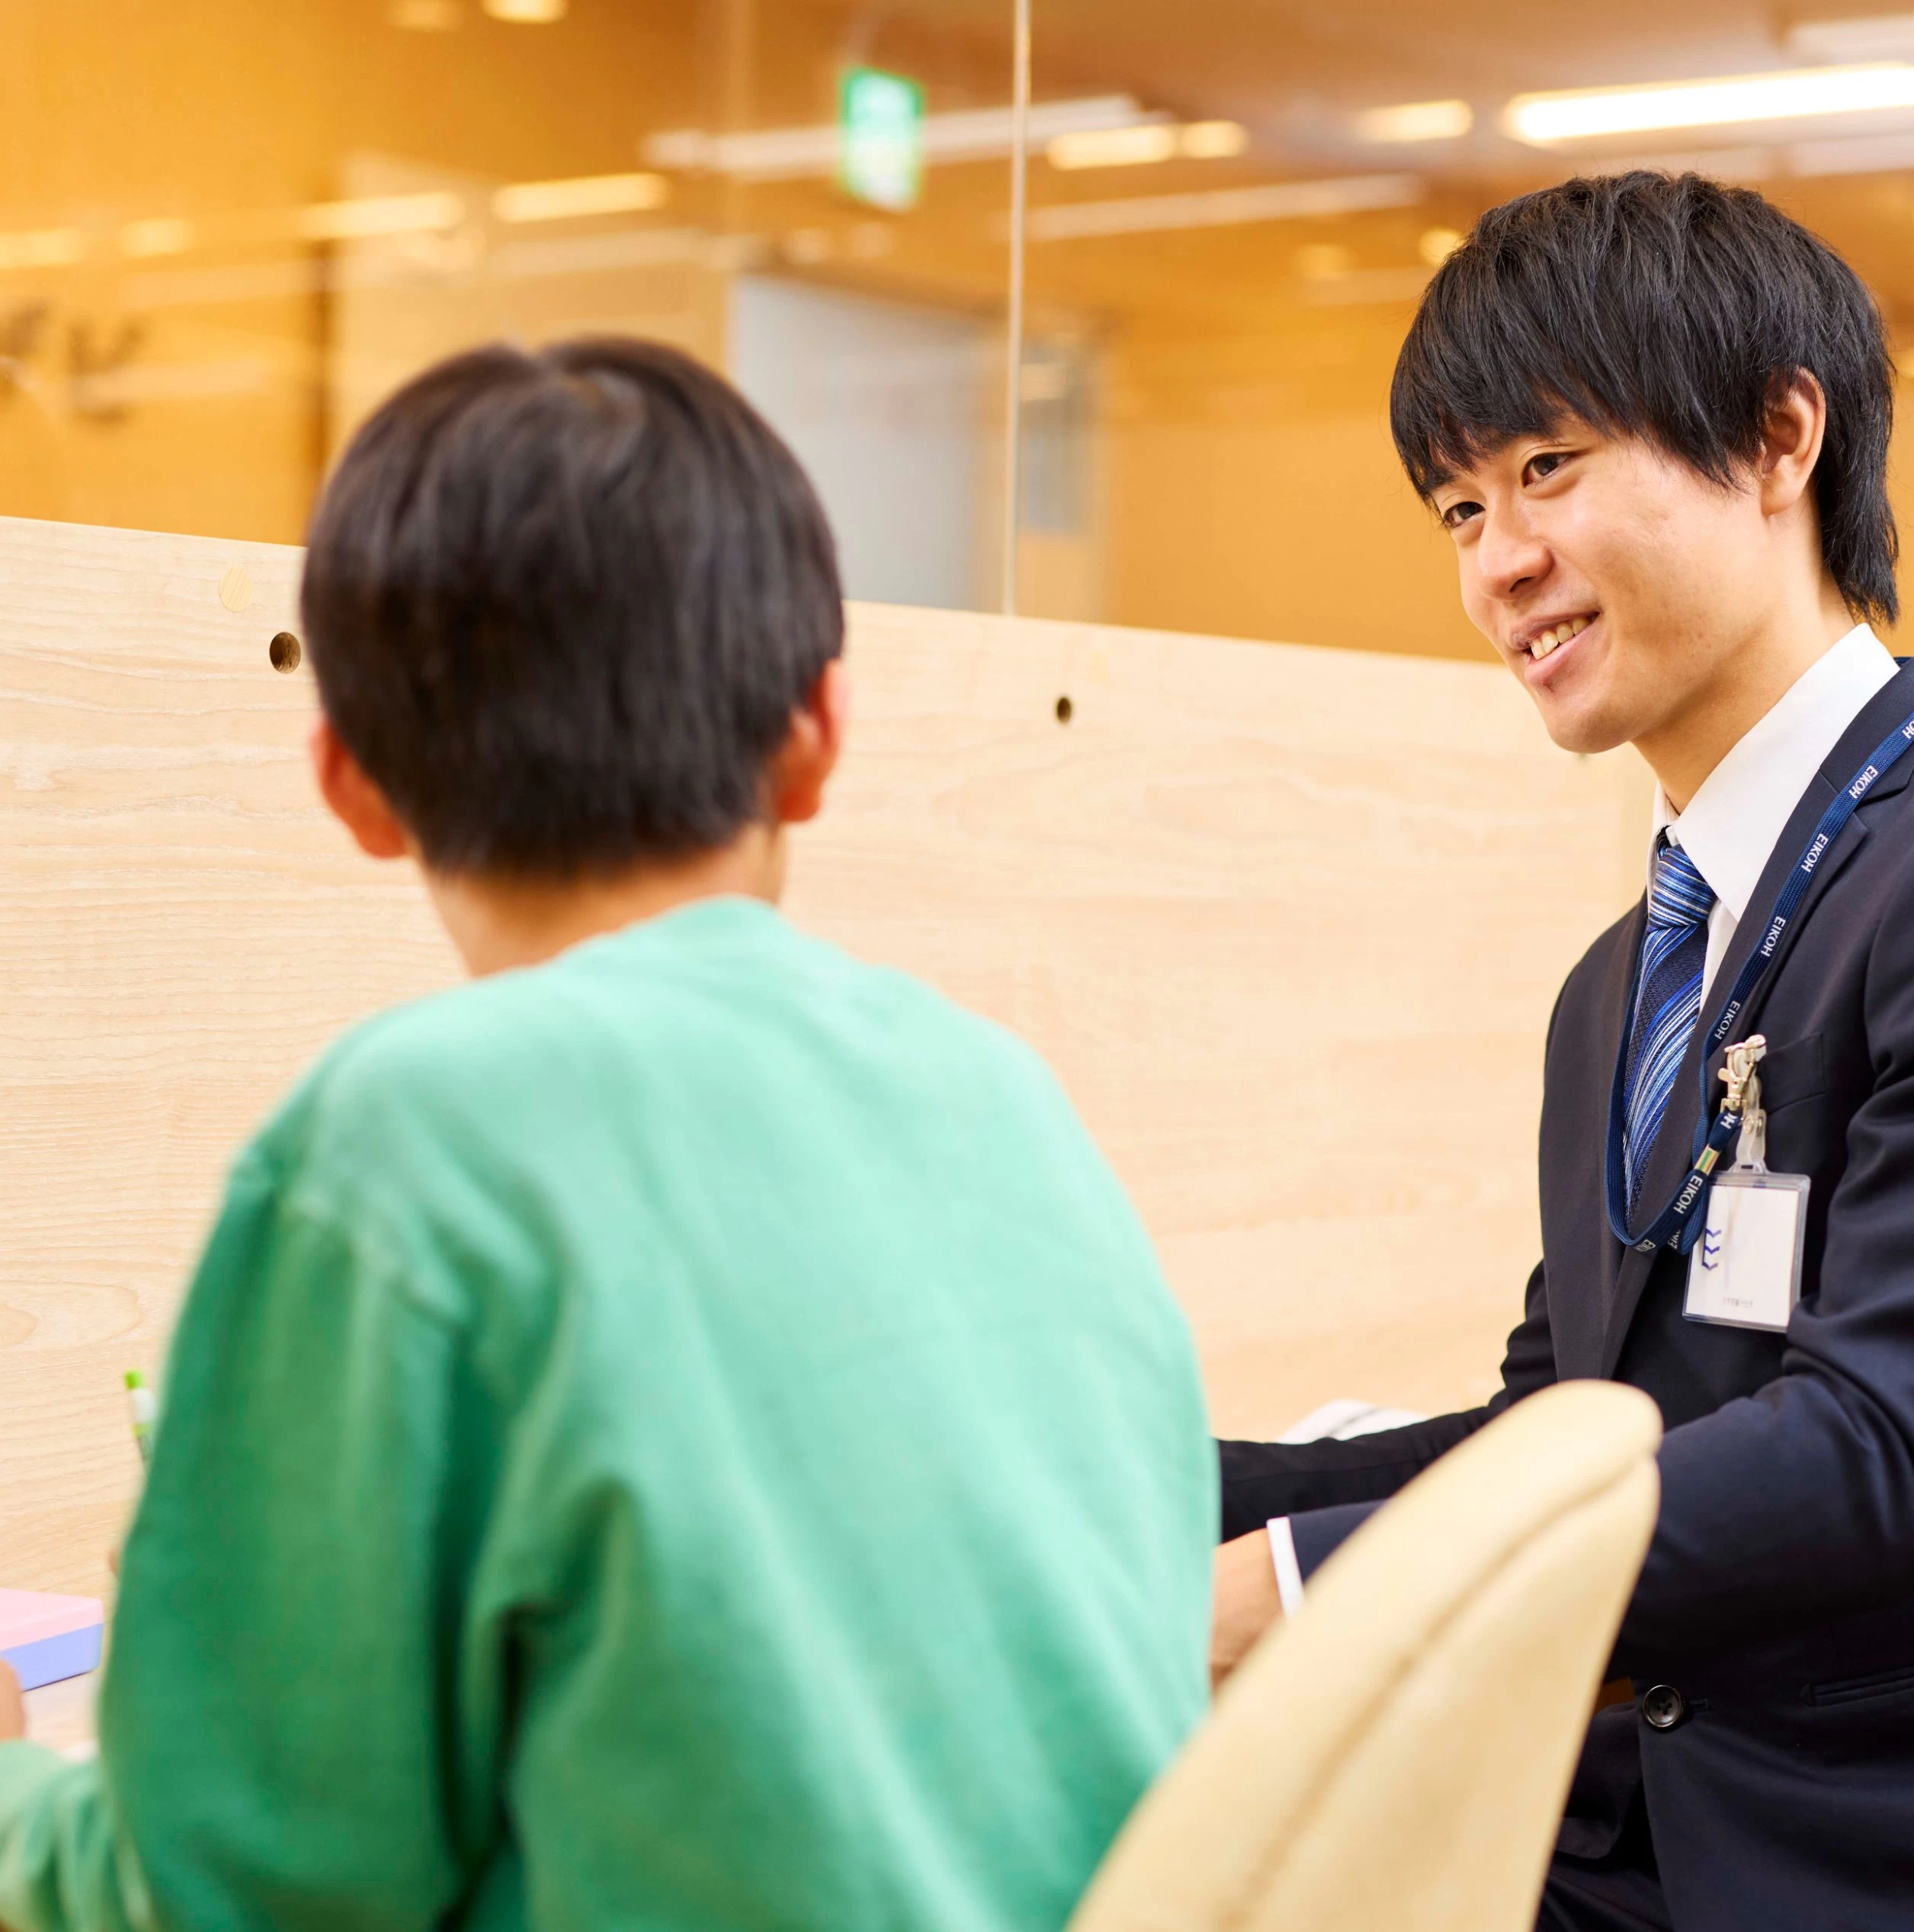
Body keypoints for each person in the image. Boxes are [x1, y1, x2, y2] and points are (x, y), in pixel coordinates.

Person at [0, 339, 1214, 1932]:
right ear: (819, 734)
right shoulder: (1004, 1093)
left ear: (350, 781)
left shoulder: (404, 1147)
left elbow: (225, 1888)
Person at [1213, 172, 1914, 1930]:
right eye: (1457, 506)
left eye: (1547, 469)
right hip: (1654, 1855)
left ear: (1782, 434)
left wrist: (1297, 1586)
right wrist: (1152, 1494)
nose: (1498, 563)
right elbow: (1562, 1430)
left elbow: (1875, 1451)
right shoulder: (1619, 986)